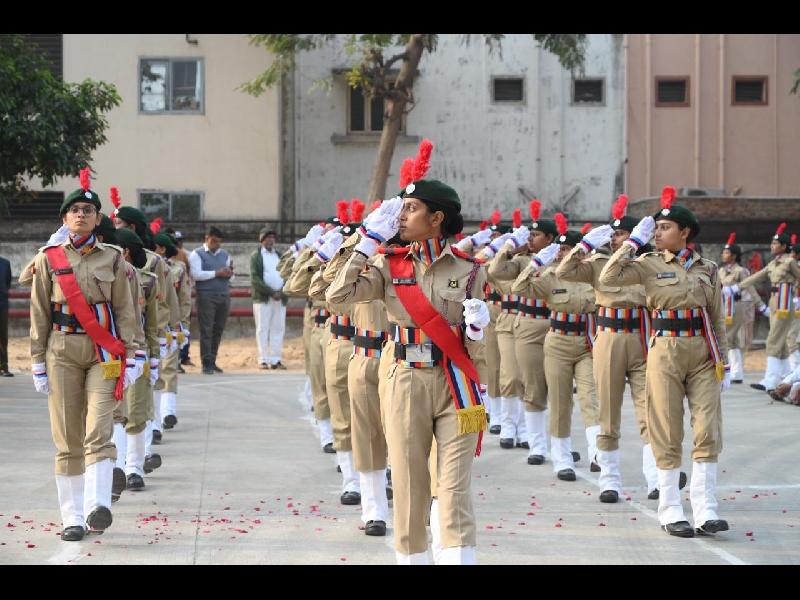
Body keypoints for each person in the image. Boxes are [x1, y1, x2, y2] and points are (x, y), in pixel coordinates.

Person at [328, 141, 490, 565]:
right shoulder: (387, 264)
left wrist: (477, 332)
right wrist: (366, 243)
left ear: (437, 219)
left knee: (453, 488)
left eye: (411, 209)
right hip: (403, 378)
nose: (401, 216)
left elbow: (473, 344)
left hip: (456, 383)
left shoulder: (470, 270)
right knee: (410, 484)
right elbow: (336, 295)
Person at [598, 185, 731, 538]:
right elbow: (608, 278)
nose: (657, 233)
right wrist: (632, 243)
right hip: (665, 351)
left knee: (707, 429)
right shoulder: (647, 264)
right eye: (655, 228)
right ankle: (671, 508)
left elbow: (716, 317)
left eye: (664, 228)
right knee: (667, 429)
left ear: (684, 232)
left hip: (703, 352)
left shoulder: (708, 268)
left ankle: (706, 508)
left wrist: (725, 361)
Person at [29, 169, 138, 541]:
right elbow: (39, 312)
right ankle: (72, 518)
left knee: (99, 430)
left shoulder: (113, 259)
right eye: (74, 210)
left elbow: (125, 310)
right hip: (61, 351)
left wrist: (133, 355)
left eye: (87, 211)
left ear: (97, 218)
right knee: (67, 438)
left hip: (103, 354)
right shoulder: (49, 258)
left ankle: (97, 506)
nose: (81, 215)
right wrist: (37, 361)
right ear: (64, 218)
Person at [556, 195, 684, 501]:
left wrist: (636, 246)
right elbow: (563, 272)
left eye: (622, 234)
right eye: (613, 236)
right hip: (609, 339)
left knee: (649, 412)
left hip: (643, 339)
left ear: (637, 236)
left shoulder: (649, 264)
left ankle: (655, 479)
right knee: (608, 412)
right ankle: (609, 480)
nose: (615, 240)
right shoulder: (598, 264)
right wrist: (584, 246)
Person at [511, 215, 600, 481]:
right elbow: (519, 287)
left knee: (590, 399)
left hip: (587, 342)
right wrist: (537, 262)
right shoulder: (550, 276)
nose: (562, 255)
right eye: (559, 250)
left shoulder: (593, 276)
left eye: (567, 249)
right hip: (558, 342)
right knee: (560, 402)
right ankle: (561, 459)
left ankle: (598, 454)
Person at [733, 223, 800, 392]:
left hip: (785, 303)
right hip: (774, 302)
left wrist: (796, 296)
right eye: (772, 243)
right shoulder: (773, 263)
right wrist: (737, 287)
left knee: (773, 340)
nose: (772, 246)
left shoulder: (790, 261)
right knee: (781, 342)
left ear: (784, 246)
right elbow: (756, 277)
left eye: (775, 243)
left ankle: (770, 379)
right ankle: (786, 375)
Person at [719, 233, 763, 384]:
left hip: (736, 306)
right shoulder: (721, 270)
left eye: (726, 253)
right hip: (723, 305)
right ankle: (736, 372)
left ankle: (732, 370)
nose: (723, 255)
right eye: (723, 252)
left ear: (734, 256)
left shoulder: (740, 271)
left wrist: (759, 304)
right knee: (730, 339)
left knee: (729, 337)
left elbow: (749, 287)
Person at [189, 226, 234, 375]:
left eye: (219, 241)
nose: (217, 244)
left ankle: (212, 360)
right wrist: (217, 273)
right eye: (214, 241)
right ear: (206, 239)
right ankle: (206, 362)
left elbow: (231, 275)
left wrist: (229, 273)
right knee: (206, 330)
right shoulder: (197, 254)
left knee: (218, 329)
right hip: (206, 296)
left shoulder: (225, 255)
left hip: (223, 294)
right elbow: (196, 274)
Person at [250, 228, 288, 369]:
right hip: (263, 298)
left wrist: (282, 292)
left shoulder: (279, 255)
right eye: (267, 237)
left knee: (278, 328)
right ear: (262, 240)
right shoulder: (256, 256)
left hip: (280, 298)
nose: (271, 240)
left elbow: (287, 274)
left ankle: (275, 359)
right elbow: (255, 279)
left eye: (272, 237)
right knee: (262, 328)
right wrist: (271, 292)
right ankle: (263, 359)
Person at [0, 254, 11, 377]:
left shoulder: (5, 263)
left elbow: (7, 284)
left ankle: (3, 367)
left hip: (2, 304)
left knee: (3, 336)